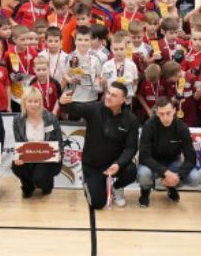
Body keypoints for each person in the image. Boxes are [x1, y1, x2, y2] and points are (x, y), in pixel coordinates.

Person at [59, 82, 140, 210]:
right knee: (97, 203)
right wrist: (63, 103)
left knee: (131, 171)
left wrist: (118, 164)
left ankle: (117, 187)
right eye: (108, 93)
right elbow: (74, 108)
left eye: (114, 95)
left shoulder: (131, 119)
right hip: (93, 165)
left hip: (114, 164)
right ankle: (90, 181)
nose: (108, 97)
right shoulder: (94, 109)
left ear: (123, 100)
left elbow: (131, 148)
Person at [137, 98, 198, 208]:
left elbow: (191, 158)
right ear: (156, 112)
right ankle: (145, 193)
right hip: (152, 164)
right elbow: (144, 156)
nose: (165, 118)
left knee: (194, 178)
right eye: (161, 114)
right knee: (143, 173)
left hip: (173, 163)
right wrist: (166, 172)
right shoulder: (149, 126)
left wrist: (178, 176)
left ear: (174, 110)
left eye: (168, 113)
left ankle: (171, 186)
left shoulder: (182, 128)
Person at [12, 87, 63, 198]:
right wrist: (18, 157)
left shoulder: (51, 118)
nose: (33, 105)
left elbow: (59, 140)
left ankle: (46, 185)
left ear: (40, 102)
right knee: (16, 166)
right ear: (24, 102)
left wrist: (59, 154)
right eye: (30, 101)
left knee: (39, 179)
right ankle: (28, 185)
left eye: (36, 101)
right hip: (28, 157)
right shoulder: (18, 120)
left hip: (46, 158)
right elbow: (19, 142)